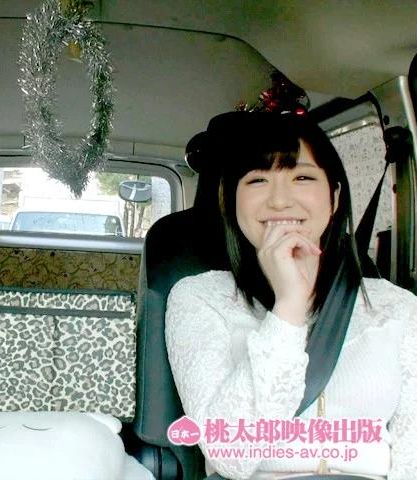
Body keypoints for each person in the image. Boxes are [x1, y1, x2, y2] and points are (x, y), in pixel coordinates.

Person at [165, 112, 416, 479]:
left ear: (334, 197)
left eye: (302, 177)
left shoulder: (397, 307)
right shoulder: (199, 298)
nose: (280, 201)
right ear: (231, 201)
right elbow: (230, 455)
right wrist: (289, 309)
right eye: (257, 180)